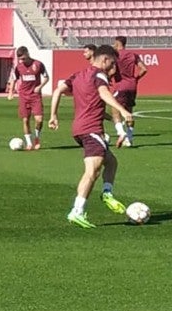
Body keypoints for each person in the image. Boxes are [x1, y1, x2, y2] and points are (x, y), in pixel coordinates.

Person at [48, 44, 133, 229]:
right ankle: (77, 211)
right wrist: (123, 110)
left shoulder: (78, 75)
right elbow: (103, 94)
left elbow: (58, 91)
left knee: (111, 161)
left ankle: (107, 193)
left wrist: (53, 115)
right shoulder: (99, 75)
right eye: (112, 63)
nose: (113, 68)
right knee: (92, 171)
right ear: (104, 60)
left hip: (79, 129)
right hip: (91, 129)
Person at [6, 46, 49, 150]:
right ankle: (29, 143)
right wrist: (11, 92)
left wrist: (40, 86)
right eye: (20, 59)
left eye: (24, 58)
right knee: (25, 120)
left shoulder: (38, 64)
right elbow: (14, 79)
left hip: (35, 96)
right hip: (24, 96)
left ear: (28, 53)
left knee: (39, 120)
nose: (22, 61)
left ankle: (37, 138)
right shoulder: (19, 67)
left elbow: (47, 77)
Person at [111, 36, 148, 148]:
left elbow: (112, 70)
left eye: (114, 43)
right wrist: (135, 78)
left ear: (117, 43)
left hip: (120, 85)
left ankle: (121, 133)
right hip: (132, 86)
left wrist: (109, 77)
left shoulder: (115, 55)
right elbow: (144, 69)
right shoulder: (133, 55)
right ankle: (130, 138)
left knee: (115, 111)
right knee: (129, 112)